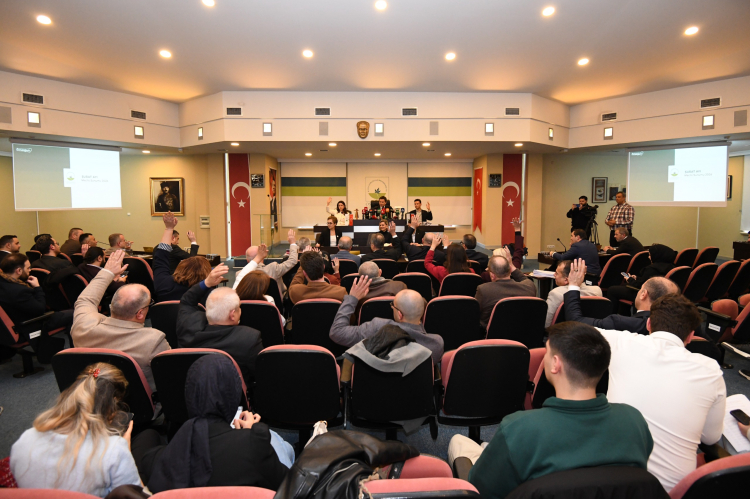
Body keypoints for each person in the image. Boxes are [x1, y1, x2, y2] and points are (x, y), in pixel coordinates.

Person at [449, 322, 653, 499]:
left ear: (555, 364)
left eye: (547, 352)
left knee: (459, 441)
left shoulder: (518, 428)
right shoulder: (633, 420)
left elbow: (480, 489)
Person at [596, 293, 726, 491]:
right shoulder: (711, 370)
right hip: (670, 491)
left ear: (648, 324)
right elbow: (710, 438)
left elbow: (570, 332)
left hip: (609, 482)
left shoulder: (619, 341)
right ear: (691, 336)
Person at [132, 355, 292, 493]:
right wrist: (250, 434)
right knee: (280, 443)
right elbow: (290, 488)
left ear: (189, 394)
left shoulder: (155, 461)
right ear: (234, 394)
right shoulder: (254, 446)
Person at [10, 363, 141, 497]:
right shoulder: (114, 451)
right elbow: (134, 495)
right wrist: (126, 450)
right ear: (113, 404)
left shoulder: (25, 440)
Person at [71, 250, 170, 391]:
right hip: (137, 402)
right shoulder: (153, 340)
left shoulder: (83, 327)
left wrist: (107, 272)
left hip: (91, 396)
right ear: (140, 313)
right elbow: (171, 377)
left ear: (112, 306)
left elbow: (85, 300)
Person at [176, 264, 263, 382]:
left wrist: (206, 283)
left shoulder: (188, 326)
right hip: (233, 392)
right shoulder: (250, 338)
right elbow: (260, 374)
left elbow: (187, 301)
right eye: (239, 307)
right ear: (232, 315)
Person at [330, 276, 444, 364]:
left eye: (393, 306)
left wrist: (352, 298)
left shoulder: (377, 328)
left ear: (399, 314)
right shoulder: (436, 344)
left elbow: (337, 332)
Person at [0, 254, 74, 360]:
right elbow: (40, 309)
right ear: (18, 271)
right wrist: (37, 287)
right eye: (28, 268)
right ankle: (74, 354)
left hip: (9, 327)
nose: (30, 270)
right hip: (31, 324)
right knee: (75, 314)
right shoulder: (19, 291)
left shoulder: (4, 282)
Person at [154, 213, 212, 302]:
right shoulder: (206, 294)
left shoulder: (162, 284)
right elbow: (191, 259)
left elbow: (160, 257)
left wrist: (168, 228)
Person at [475, 249, 537, 328]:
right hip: (523, 332)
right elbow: (524, 279)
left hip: (493, 334)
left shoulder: (484, 290)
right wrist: (511, 265)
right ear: (510, 270)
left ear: (492, 275)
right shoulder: (529, 287)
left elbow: (475, 314)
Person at [605, 243, 676, 307]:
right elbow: (649, 279)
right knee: (623, 286)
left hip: (647, 295)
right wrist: (637, 278)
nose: (648, 257)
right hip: (661, 293)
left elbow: (641, 285)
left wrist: (630, 279)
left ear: (656, 256)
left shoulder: (652, 269)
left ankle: (612, 313)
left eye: (650, 255)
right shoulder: (671, 267)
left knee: (612, 290)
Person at [234, 229, 298, 295]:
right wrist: (292, 243)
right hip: (275, 301)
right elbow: (292, 261)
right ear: (263, 256)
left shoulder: (239, 274)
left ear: (247, 260)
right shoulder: (273, 268)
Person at [545, 260, 602, 327]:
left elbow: (546, 323)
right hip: (590, 331)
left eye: (557, 273)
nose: (554, 275)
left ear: (566, 280)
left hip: (563, 332)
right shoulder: (597, 291)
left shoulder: (556, 293)